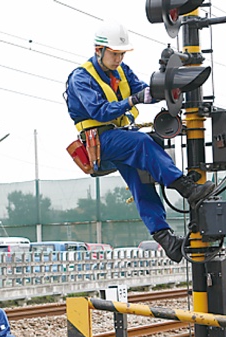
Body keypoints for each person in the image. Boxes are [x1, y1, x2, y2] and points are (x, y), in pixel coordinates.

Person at [65, 21, 214, 263]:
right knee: (142, 143)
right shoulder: (81, 78)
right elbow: (100, 111)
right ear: (98, 50)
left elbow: (145, 92)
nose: (118, 59)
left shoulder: (123, 71)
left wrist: (166, 86)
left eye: (121, 53)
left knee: (141, 182)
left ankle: (167, 241)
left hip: (119, 137)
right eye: (114, 54)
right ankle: (188, 189)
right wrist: (134, 100)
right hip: (100, 140)